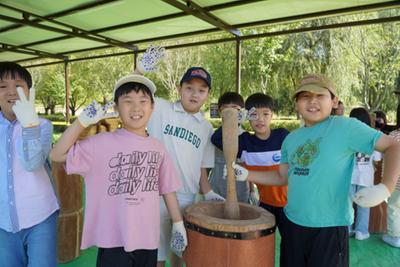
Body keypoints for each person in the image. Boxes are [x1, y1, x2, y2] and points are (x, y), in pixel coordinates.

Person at [234, 74, 400, 267]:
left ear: (334, 101)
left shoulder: (345, 127)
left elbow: (393, 147)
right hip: (293, 224)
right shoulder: (291, 138)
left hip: (329, 228)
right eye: (305, 96)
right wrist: (247, 174)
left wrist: (385, 188)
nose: (312, 101)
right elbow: (282, 176)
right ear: (296, 104)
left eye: (320, 95)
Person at [50, 72, 187, 267]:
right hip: (112, 239)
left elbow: (168, 189)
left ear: (152, 107)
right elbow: (56, 155)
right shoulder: (101, 143)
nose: (136, 108)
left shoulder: (158, 148)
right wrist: (81, 122)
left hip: (147, 239)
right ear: (116, 108)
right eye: (128, 101)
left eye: (143, 101)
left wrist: (178, 223)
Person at [147, 67, 221, 267]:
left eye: (201, 90)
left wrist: (209, 192)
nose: (195, 94)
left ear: (207, 94)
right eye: (189, 88)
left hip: (187, 197)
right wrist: (139, 69)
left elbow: (202, 168)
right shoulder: (160, 108)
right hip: (156, 194)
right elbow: (135, 92)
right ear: (179, 88)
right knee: (157, 254)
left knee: (181, 250)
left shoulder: (206, 128)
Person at [0, 62, 59, 267]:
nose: (11, 92)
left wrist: (29, 126)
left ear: (28, 91)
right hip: (3, 222)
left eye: (18, 86)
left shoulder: (42, 125)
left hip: (40, 217)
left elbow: (32, 163)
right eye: (2, 86)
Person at [211, 92, 289, 241]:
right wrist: (235, 120)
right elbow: (216, 139)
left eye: (265, 114)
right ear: (247, 117)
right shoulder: (245, 142)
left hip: (290, 204)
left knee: (291, 246)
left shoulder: (283, 136)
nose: (260, 119)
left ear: (272, 115)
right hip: (265, 204)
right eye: (254, 115)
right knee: (262, 244)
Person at [208, 92, 251, 203]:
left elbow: (249, 166)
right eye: (225, 109)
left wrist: (252, 191)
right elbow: (215, 140)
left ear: (242, 112)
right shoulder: (215, 135)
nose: (230, 112)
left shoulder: (245, 136)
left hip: (239, 189)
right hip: (216, 187)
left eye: (234, 109)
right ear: (219, 112)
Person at [348, 107, 382, 241]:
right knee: (364, 205)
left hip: (349, 176)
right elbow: (378, 159)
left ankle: (347, 229)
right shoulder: (374, 135)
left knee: (347, 205)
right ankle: (361, 232)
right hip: (366, 177)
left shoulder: (348, 135)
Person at [383, 107, 400, 248]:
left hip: (397, 181)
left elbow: (387, 158)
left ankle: (395, 237)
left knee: (394, 208)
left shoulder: (394, 135)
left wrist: (384, 179)